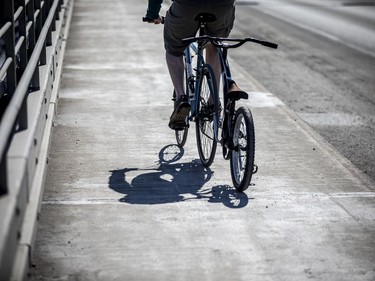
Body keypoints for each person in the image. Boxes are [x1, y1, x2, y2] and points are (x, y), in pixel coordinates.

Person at [144, 0, 236, 130]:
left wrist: (152, 13)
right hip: (222, 7)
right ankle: (213, 99)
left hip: (186, 7)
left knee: (174, 49)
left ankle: (181, 98)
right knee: (214, 45)